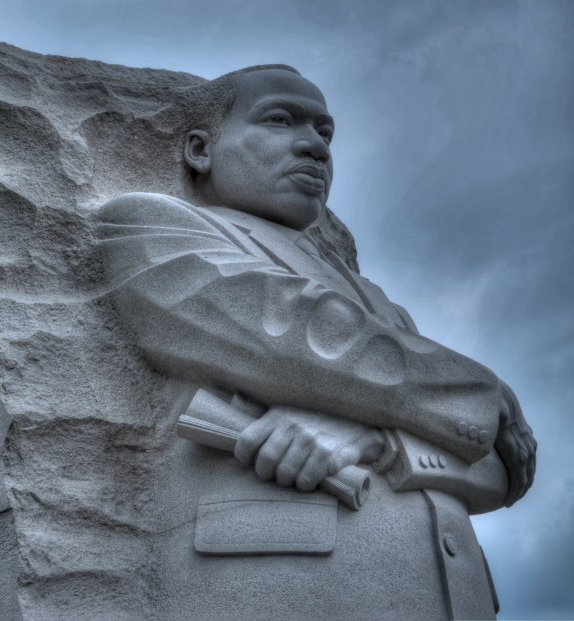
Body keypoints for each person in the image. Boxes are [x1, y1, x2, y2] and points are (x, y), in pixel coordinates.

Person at [97, 66, 536, 620]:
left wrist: (379, 440)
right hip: (289, 586)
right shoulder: (150, 226)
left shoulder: (380, 303)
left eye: (325, 133)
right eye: (280, 120)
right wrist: (486, 391)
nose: (314, 147)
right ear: (200, 150)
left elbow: (504, 469)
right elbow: (302, 337)